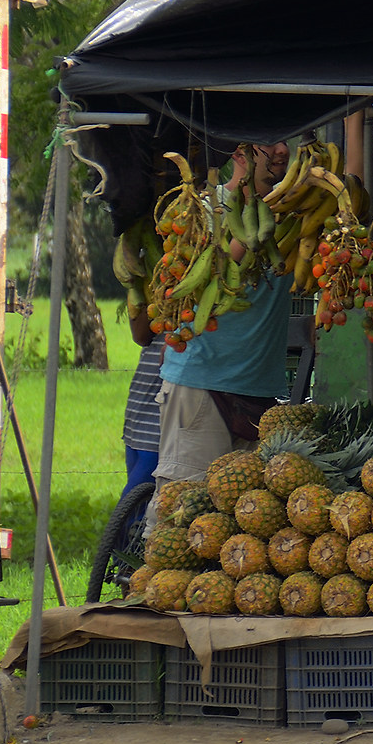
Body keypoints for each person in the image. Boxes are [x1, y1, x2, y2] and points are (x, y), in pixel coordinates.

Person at [151, 142, 297, 527]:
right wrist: (254, 229)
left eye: (287, 140)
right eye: (270, 142)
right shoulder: (202, 209)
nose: (282, 149)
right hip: (200, 387)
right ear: (239, 152)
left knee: (238, 529)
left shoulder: (296, 213)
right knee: (180, 518)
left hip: (259, 393)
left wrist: (356, 116)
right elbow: (196, 279)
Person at [121, 302, 164, 500]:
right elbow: (140, 336)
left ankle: (121, 532)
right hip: (142, 404)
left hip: (165, 409)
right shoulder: (153, 289)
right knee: (136, 500)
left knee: (135, 498)